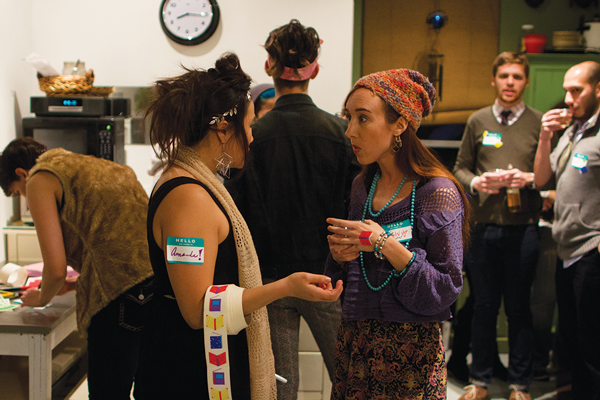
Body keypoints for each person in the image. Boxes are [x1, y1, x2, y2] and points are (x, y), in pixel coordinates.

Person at [133, 53, 343, 400]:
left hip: (192, 357)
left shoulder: (190, 180)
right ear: (222, 129)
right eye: (248, 127)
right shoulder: (189, 196)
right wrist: (285, 287)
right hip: (188, 370)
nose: (252, 136)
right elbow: (198, 309)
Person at [225, 20, 358, 400]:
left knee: (279, 386)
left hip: (270, 281)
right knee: (349, 379)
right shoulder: (341, 135)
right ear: (314, 69)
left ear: (269, 66)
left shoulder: (251, 138)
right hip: (329, 279)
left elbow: (234, 214)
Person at [325, 68, 470, 399]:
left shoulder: (438, 192)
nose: (349, 131)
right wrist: (340, 256)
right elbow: (353, 276)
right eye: (348, 118)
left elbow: (447, 288)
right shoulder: (363, 185)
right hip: (356, 343)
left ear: (400, 125)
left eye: (362, 118)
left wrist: (384, 244)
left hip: (410, 355)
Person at [0, 137, 154, 399]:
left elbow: (56, 269)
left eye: (18, 193)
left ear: (21, 174)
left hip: (117, 296)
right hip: (153, 288)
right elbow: (111, 240)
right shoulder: (84, 165)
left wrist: (40, 297)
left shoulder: (39, 178)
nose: (25, 201)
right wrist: (73, 284)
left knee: (107, 394)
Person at [453, 51, 543, 400]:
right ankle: (480, 382)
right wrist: (476, 183)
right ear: (494, 79)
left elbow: (552, 174)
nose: (510, 83)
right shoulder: (477, 120)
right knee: (483, 305)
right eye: (504, 76)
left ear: (526, 81)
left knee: (519, 307)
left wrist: (530, 178)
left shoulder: (539, 123)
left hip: (524, 229)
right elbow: (460, 167)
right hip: (483, 228)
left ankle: (520, 385)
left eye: (517, 77)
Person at [533, 60, 600, 400]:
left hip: (592, 250)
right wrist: (546, 136)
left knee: (591, 342)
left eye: (577, 90)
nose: (569, 97)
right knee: (571, 338)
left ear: (598, 89)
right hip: (566, 247)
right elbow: (542, 178)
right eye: (567, 90)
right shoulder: (572, 131)